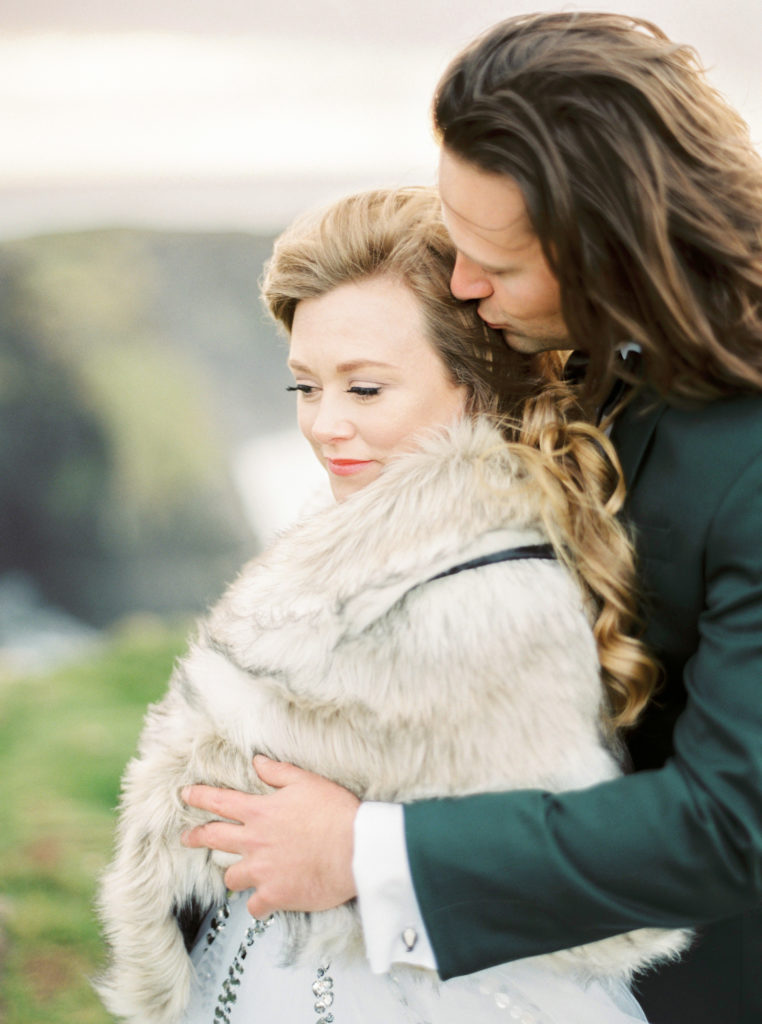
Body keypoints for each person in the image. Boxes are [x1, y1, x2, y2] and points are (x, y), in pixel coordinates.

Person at [181, 13, 762, 1024]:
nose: (462, 283)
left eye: (496, 259)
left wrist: (365, 848)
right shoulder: (589, 339)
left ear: (613, 250)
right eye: (456, 236)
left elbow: (733, 823)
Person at [96, 186, 686, 1024]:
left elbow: (599, 904)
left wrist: (361, 852)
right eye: (304, 387)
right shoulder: (387, 547)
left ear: (478, 385)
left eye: (365, 390)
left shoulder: (489, 601)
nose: (325, 426)